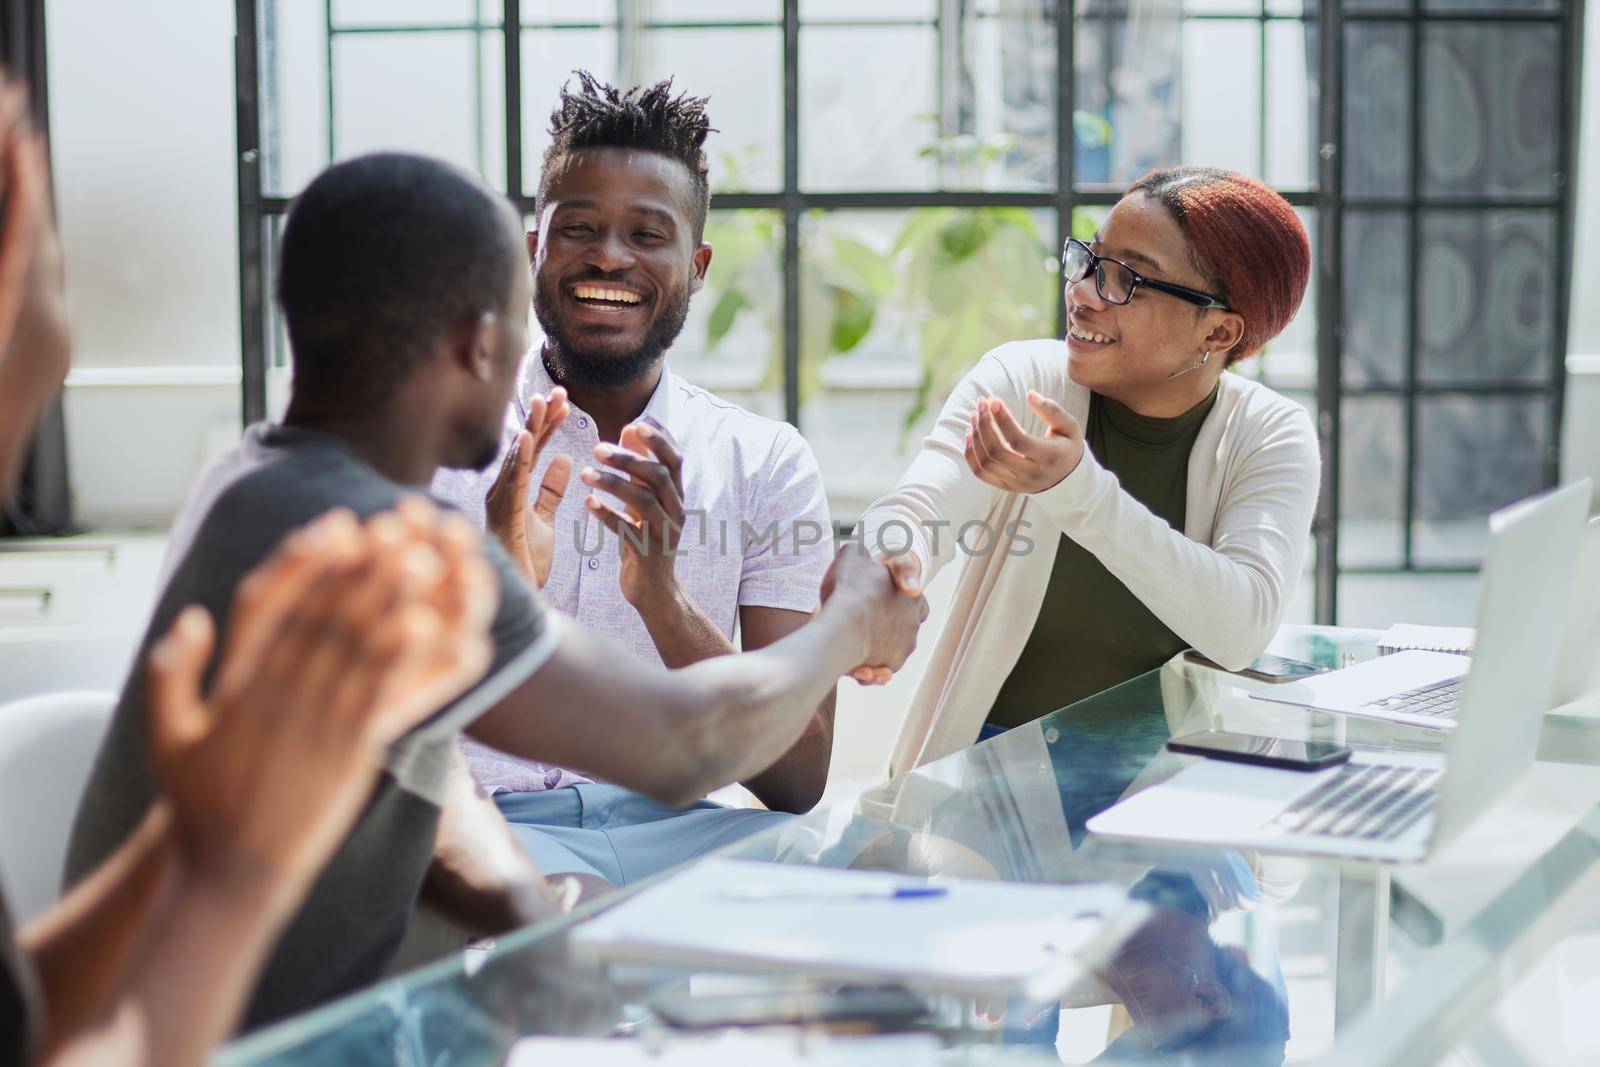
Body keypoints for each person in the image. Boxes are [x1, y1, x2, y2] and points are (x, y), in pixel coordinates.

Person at [64, 150, 925, 1031]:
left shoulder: (258, 483)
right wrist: (853, 620)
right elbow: (682, 742)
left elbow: (410, 751)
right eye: (522, 317)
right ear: (482, 342)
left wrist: (529, 912)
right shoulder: (364, 535)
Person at [0, 73, 504, 1067]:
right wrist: (230, 868)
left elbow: (21, 1024)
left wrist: (202, 835)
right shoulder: (316, 505)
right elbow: (676, 738)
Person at [433, 73, 837, 897]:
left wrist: (661, 597)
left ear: (695, 264)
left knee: (866, 888)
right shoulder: (436, 433)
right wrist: (495, 579)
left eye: (647, 234)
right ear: (533, 246)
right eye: (578, 227)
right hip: (489, 826)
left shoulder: (764, 461)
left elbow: (798, 780)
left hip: (688, 829)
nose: (609, 255)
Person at [859, 166, 1319, 773]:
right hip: (991, 766)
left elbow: (1241, 626)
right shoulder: (1025, 380)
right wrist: (889, 567)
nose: (1081, 293)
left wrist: (1077, 490)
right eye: (1089, 260)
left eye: (1124, 279)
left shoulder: (1268, 434)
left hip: (1172, 780)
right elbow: (920, 510)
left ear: (1217, 330)